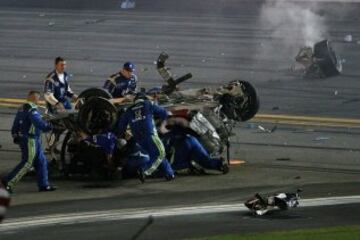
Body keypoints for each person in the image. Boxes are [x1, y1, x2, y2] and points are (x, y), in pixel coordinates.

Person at [1, 91, 57, 193]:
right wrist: (49, 126)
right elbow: (38, 122)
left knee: (41, 161)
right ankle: (7, 182)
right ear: (36, 99)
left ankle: (44, 185)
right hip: (30, 140)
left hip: (28, 139)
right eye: (38, 99)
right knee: (28, 162)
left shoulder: (22, 108)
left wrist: (15, 135)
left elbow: (16, 123)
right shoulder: (32, 109)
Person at [115, 93, 174, 181]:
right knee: (161, 153)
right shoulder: (148, 103)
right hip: (149, 134)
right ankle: (144, 171)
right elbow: (163, 113)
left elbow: (120, 128)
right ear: (144, 98)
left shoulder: (128, 110)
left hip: (138, 138)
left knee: (155, 154)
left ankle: (169, 174)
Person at [162, 126, 229, 174]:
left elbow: (165, 150)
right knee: (206, 161)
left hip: (182, 143)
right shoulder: (175, 122)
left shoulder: (164, 132)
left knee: (176, 166)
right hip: (193, 140)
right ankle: (220, 163)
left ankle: (191, 165)